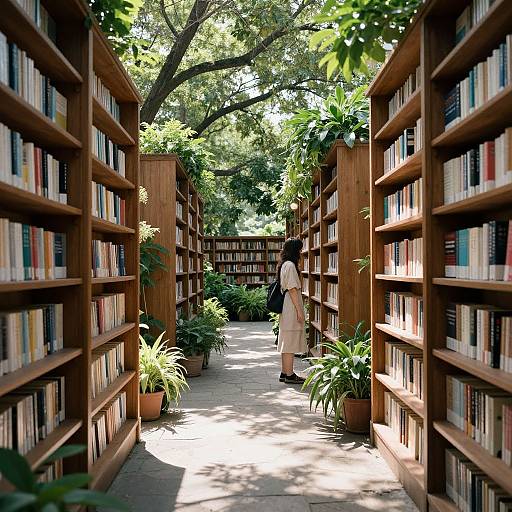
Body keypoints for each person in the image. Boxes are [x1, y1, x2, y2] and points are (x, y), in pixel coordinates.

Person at [276, 238, 306, 384]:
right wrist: (300, 311)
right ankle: (289, 374)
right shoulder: (290, 266)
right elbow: (293, 289)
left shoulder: (284, 265)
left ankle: (284, 372)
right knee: (290, 341)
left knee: (286, 339)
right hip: (291, 306)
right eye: (299, 250)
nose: (301, 253)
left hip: (286, 305)